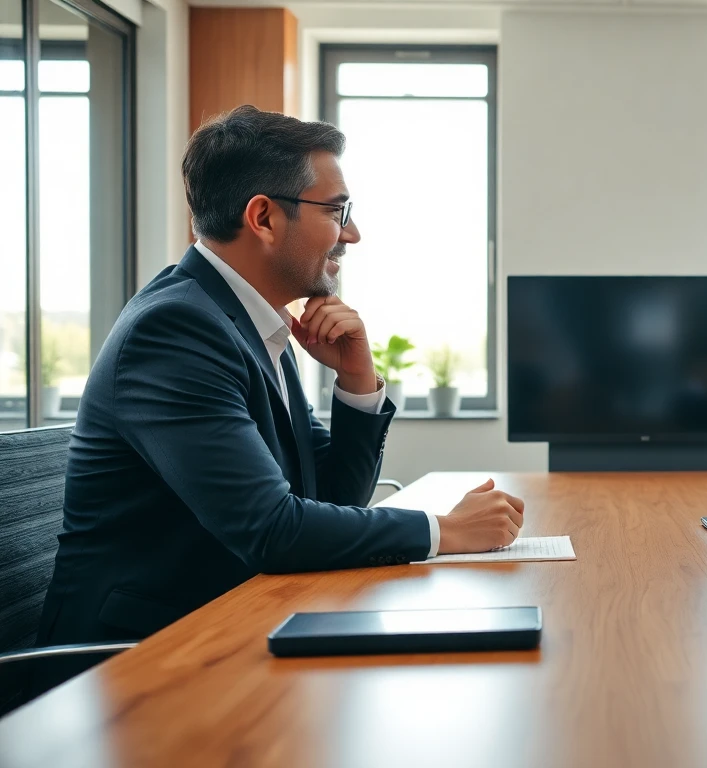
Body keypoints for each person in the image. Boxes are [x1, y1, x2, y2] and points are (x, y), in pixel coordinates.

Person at [38, 106, 524, 662]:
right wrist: (443, 531)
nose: (353, 234)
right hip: (135, 662)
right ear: (264, 218)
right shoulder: (175, 329)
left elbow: (333, 496)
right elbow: (272, 529)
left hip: (231, 625)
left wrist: (357, 379)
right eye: (338, 210)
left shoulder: (249, 323)